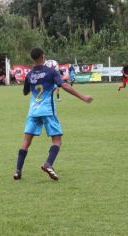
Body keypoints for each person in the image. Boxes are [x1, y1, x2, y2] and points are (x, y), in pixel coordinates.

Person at [13, 48, 93, 181]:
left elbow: (25, 92)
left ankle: (17, 171)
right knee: (57, 140)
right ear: (43, 56)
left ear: (32, 58)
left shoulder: (29, 74)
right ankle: (48, 164)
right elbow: (65, 85)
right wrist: (83, 97)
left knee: (26, 141)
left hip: (33, 111)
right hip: (47, 111)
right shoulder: (51, 72)